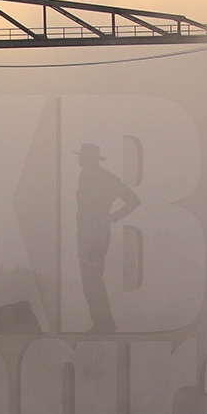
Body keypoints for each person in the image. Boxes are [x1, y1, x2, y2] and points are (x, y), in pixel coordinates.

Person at [75, 143, 139, 333]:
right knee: (89, 280)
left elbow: (133, 200)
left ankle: (104, 324)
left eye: (83, 157)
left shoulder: (106, 179)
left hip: (96, 235)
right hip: (87, 234)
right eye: (81, 157)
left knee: (92, 278)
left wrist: (113, 217)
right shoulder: (85, 176)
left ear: (91, 159)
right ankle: (101, 323)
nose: (80, 160)